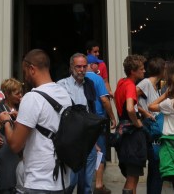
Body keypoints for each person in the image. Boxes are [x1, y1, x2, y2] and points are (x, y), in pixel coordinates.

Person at [0, 48, 73, 193]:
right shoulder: (64, 93)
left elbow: (15, 145)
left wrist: (5, 121)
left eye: (25, 71)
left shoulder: (32, 98)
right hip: (63, 179)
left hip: (39, 181)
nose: (24, 77)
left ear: (31, 69)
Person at [58, 53, 100, 194]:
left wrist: (94, 141)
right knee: (71, 182)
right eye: (78, 66)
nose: (82, 70)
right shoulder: (62, 85)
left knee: (87, 184)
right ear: (71, 67)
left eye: (84, 66)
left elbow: (91, 111)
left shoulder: (89, 84)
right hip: (71, 139)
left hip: (88, 139)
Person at [114, 54, 148, 194]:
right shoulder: (130, 86)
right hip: (132, 135)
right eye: (141, 68)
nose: (144, 71)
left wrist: (143, 112)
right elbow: (129, 108)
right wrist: (138, 123)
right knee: (132, 176)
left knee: (132, 174)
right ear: (133, 71)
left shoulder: (121, 82)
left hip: (122, 132)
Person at [0, 78, 23, 194]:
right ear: (7, 94)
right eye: (17, 93)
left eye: (21, 92)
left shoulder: (23, 107)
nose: (20, 95)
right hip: (5, 154)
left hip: (22, 154)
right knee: (5, 187)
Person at [86, 60, 116, 194]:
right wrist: (112, 117)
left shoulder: (76, 78)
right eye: (97, 64)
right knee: (100, 151)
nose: (99, 67)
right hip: (97, 121)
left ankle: (84, 185)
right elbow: (104, 100)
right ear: (92, 65)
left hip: (83, 122)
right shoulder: (97, 79)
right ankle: (98, 184)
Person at [137, 57, 166, 194]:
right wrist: (144, 112)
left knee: (156, 167)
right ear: (161, 69)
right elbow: (130, 98)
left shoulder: (155, 85)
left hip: (155, 127)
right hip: (150, 127)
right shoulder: (146, 83)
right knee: (156, 163)